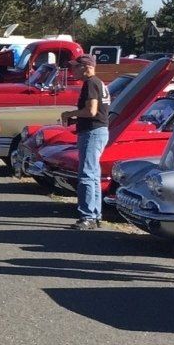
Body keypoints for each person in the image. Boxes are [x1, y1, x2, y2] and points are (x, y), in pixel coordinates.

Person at [70, 55, 112, 231]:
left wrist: (70, 114)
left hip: (92, 131)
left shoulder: (91, 83)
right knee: (93, 174)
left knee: (87, 174)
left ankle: (87, 216)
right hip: (99, 131)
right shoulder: (99, 83)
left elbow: (91, 111)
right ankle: (95, 214)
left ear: (86, 67)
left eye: (76, 67)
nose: (73, 70)